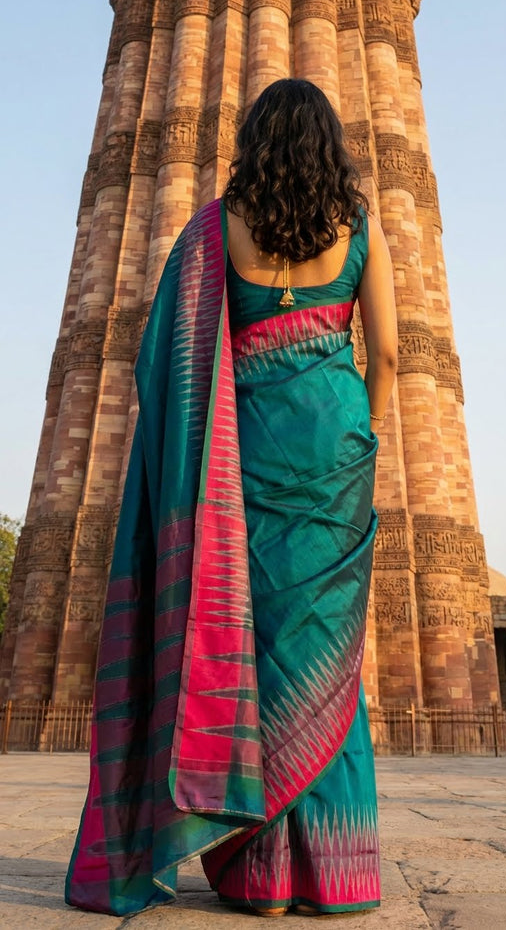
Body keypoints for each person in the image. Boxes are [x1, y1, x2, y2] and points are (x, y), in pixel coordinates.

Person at [65, 78, 397, 919]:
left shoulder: (217, 227)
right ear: (328, 145)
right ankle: (332, 872)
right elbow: (387, 353)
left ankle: (262, 879)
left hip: (241, 445)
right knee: (328, 649)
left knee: (256, 641)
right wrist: (367, 435)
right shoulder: (358, 226)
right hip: (335, 441)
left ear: (254, 140)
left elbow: (162, 357)